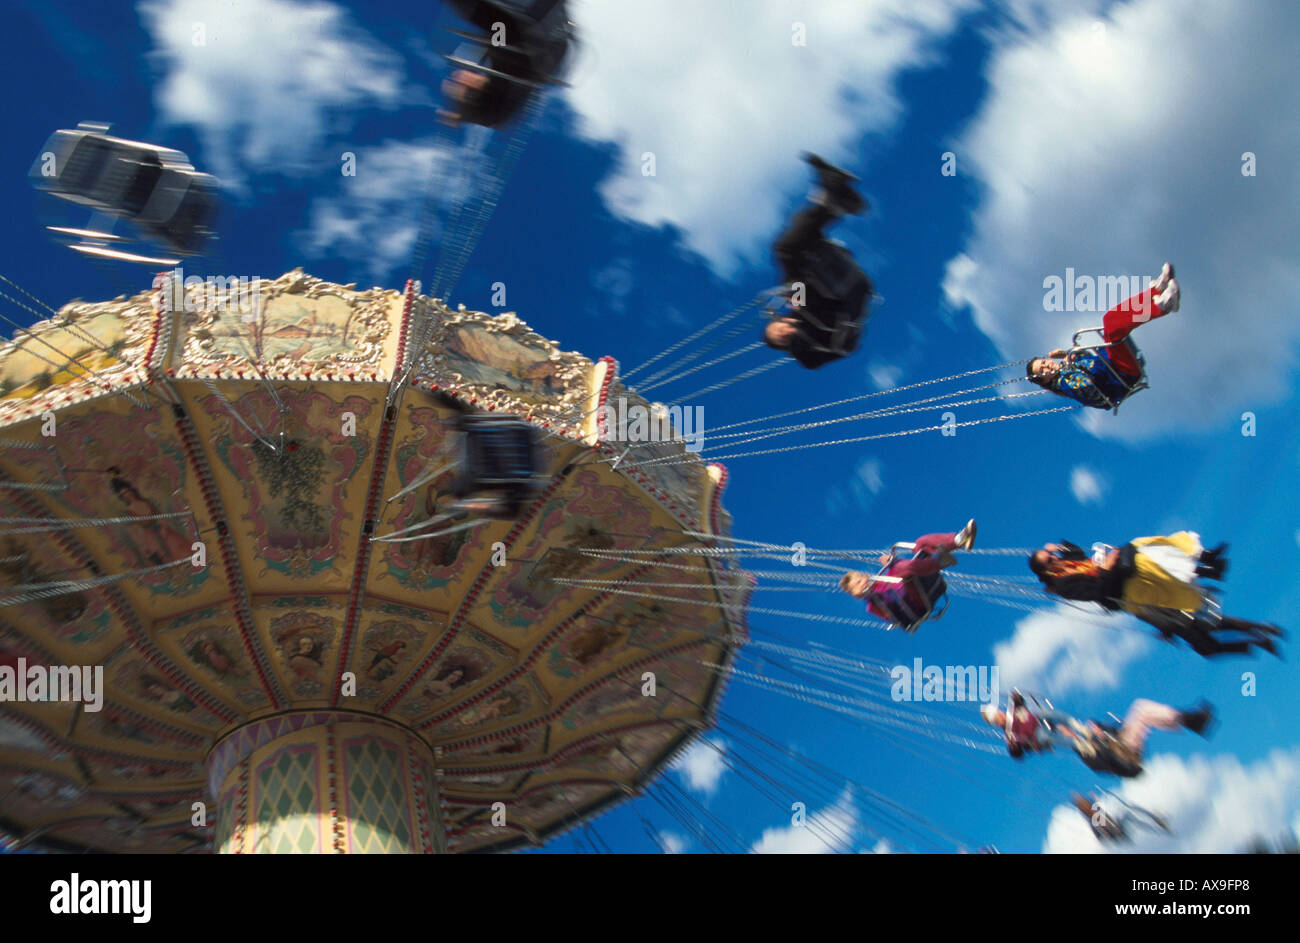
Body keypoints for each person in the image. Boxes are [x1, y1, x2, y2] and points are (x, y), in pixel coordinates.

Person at [763, 154, 873, 369]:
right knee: (786, 251)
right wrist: (796, 344)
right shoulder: (807, 345)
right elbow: (814, 360)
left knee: (795, 237)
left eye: (777, 328)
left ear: (780, 320)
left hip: (831, 280)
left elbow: (797, 289)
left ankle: (836, 200)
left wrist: (791, 290)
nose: (782, 331)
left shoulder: (796, 305)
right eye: (780, 337)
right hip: (844, 299)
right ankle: (834, 201)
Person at [1027, 263, 1180, 409]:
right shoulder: (1066, 383)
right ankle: (1164, 306)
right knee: (1113, 329)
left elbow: (1090, 360)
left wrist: (1069, 354)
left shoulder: (1067, 367)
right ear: (1046, 381)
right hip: (1121, 375)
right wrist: (1070, 363)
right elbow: (1090, 382)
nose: (1047, 365)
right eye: (1043, 371)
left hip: (1113, 363)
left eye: (1044, 362)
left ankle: (1156, 291)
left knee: (1110, 319)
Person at [439, 0, 571, 128]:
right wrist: (465, 116)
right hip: (528, 33)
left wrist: (462, 116)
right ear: (478, 93)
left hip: (543, 36)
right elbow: (492, 116)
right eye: (463, 84)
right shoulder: (506, 71)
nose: (458, 75)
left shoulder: (507, 72)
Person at [1030, 532, 1226, 613]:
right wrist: (1107, 567)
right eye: (1049, 559)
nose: (1054, 558)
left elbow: (1078, 554)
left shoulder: (1067, 563)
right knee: (1144, 561)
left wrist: (1058, 546)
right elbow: (1097, 592)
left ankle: (1203, 555)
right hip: (1119, 590)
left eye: (1051, 555)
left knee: (1142, 544)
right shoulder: (1062, 585)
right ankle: (1202, 570)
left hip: (1117, 570)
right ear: (1046, 571)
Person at [840, 520, 976, 629]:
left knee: (921, 542)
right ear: (855, 594)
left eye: (860, 579)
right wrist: (873, 595)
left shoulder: (886, 576)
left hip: (920, 578)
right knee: (901, 569)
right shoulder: (873, 604)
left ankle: (959, 540)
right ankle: (940, 562)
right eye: (857, 585)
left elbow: (902, 568)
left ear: (865, 575)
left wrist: (892, 562)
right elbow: (892, 616)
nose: (862, 582)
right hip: (914, 603)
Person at [1066, 698, 1213, 778]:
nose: (1092, 729)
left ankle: (1187, 720)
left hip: (1125, 744)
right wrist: (1100, 742)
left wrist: (1101, 731)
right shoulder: (1085, 752)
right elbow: (1103, 764)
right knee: (1141, 711)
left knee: (1143, 711)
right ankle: (1188, 720)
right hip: (1125, 753)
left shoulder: (1096, 735)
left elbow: (1114, 733)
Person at [1134, 606, 1282, 659]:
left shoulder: (1137, 609)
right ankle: (1263, 630)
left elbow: (1162, 620)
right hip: (1186, 612)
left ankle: (1258, 640)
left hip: (1183, 625)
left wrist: (1166, 634)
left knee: (1208, 648)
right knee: (1220, 624)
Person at [979, 691, 1082, 758]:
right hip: (1036, 737)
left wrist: (1017, 698)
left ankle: (1074, 724)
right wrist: (1014, 749)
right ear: (996, 724)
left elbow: (1020, 702)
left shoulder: (1012, 711)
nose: (1000, 720)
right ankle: (1077, 744)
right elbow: (1017, 754)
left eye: (998, 716)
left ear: (1000, 712)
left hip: (1039, 722)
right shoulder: (1009, 734)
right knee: (1044, 736)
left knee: (1046, 713)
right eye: (996, 721)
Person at [1070, 790, 1170, 843]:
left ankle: (1156, 819)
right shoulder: (1092, 820)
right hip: (1116, 831)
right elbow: (1100, 835)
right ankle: (1156, 827)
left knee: (1131, 810)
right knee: (1132, 818)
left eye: (1085, 802)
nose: (1086, 804)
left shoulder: (1096, 808)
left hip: (1117, 824)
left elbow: (1102, 804)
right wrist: (1109, 835)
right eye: (1083, 804)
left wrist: (1095, 797)